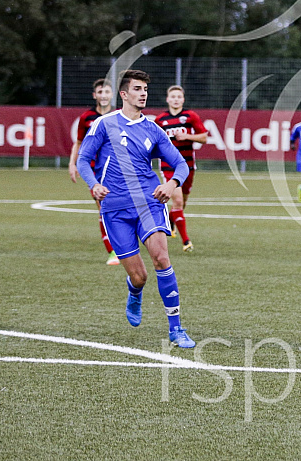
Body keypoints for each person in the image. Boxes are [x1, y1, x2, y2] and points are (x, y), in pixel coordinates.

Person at [76, 70, 196, 348]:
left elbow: (180, 164)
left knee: (161, 258)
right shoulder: (105, 124)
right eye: (138, 88)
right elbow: (84, 159)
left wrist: (172, 183)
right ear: (124, 94)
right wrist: (94, 184)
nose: (143, 93)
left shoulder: (153, 129)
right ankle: (135, 291)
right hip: (115, 209)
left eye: (145, 89)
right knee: (139, 276)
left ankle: (176, 328)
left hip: (149, 202)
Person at [68, 79, 119, 265]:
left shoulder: (118, 116)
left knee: (120, 206)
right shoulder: (86, 117)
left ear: (111, 95)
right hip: (94, 170)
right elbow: (80, 143)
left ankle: (124, 243)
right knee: (103, 207)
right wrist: (73, 164)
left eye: (107, 92)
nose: (103, 95)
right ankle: (112, 252)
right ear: (94, 95)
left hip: (116, 169)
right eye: (100, 92)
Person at [155, 85, 208, 252]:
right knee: (177, 201)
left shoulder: (190, 116)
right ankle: (186, 242)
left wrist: (187, 136)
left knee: (182, 203)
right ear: (168, 99)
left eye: (179, 96)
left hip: (187, 166)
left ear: (183, 99)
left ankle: (171, 223)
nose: (176, 99)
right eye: (173, 96)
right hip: (168, 166)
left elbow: (204, 137)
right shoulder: (160, 120)